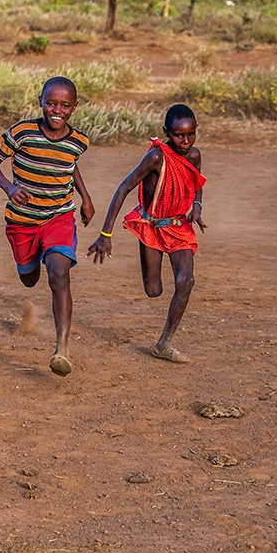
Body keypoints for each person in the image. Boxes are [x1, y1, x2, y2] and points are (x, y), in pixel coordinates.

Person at [0, 76, 94, 377]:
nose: (57, 110)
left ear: (74, 107)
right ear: (41, 102)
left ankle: (62, 348)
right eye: (51, 103)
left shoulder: (79, 140)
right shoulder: (23, 132)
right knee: (29, 278)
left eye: (64, 105)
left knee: (59, 272)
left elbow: (69, 163)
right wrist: (8, 188)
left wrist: (85, 197)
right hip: (22, 221)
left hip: (59, 216)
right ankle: (28, 267)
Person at [86, 103, 207, 363]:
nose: (185, 141)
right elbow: (123, 188)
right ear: (166, 131)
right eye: (178, 135)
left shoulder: (194, 155)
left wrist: (197, 205)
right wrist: (105, 234)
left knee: (186, 281)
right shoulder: (156, 157)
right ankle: (160, 316)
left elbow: (197, 183)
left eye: (191, 134)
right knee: (153, 290)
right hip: (150, 224)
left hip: (178, 226)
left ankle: (165, 342)